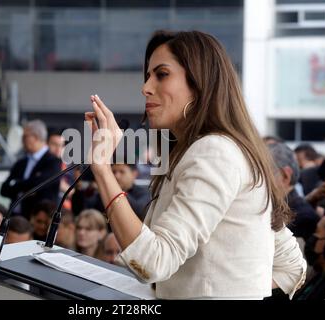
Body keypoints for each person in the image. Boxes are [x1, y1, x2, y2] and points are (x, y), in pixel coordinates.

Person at [84, 30, 306, 299]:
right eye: (147, 76)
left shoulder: (215, 152)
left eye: (162, 74)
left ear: (199, 83)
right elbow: (292, 265)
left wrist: (102, 168)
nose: (146, 87)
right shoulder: (208, 151)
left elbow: (153, 262)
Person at [0, 120, 62, 219]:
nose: (22, 140)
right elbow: (4, 189)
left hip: (38, 220)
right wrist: (25, 187)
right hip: (14, 217)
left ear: (36, 137)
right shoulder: (21, 163)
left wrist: (17, 184)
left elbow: (39, 185)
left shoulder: (52, 162)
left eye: (25, 137)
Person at [268, 143, 319, 242]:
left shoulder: (304, 218)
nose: (255, 181)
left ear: (285, 176)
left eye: (262, 174)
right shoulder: (274, 207)